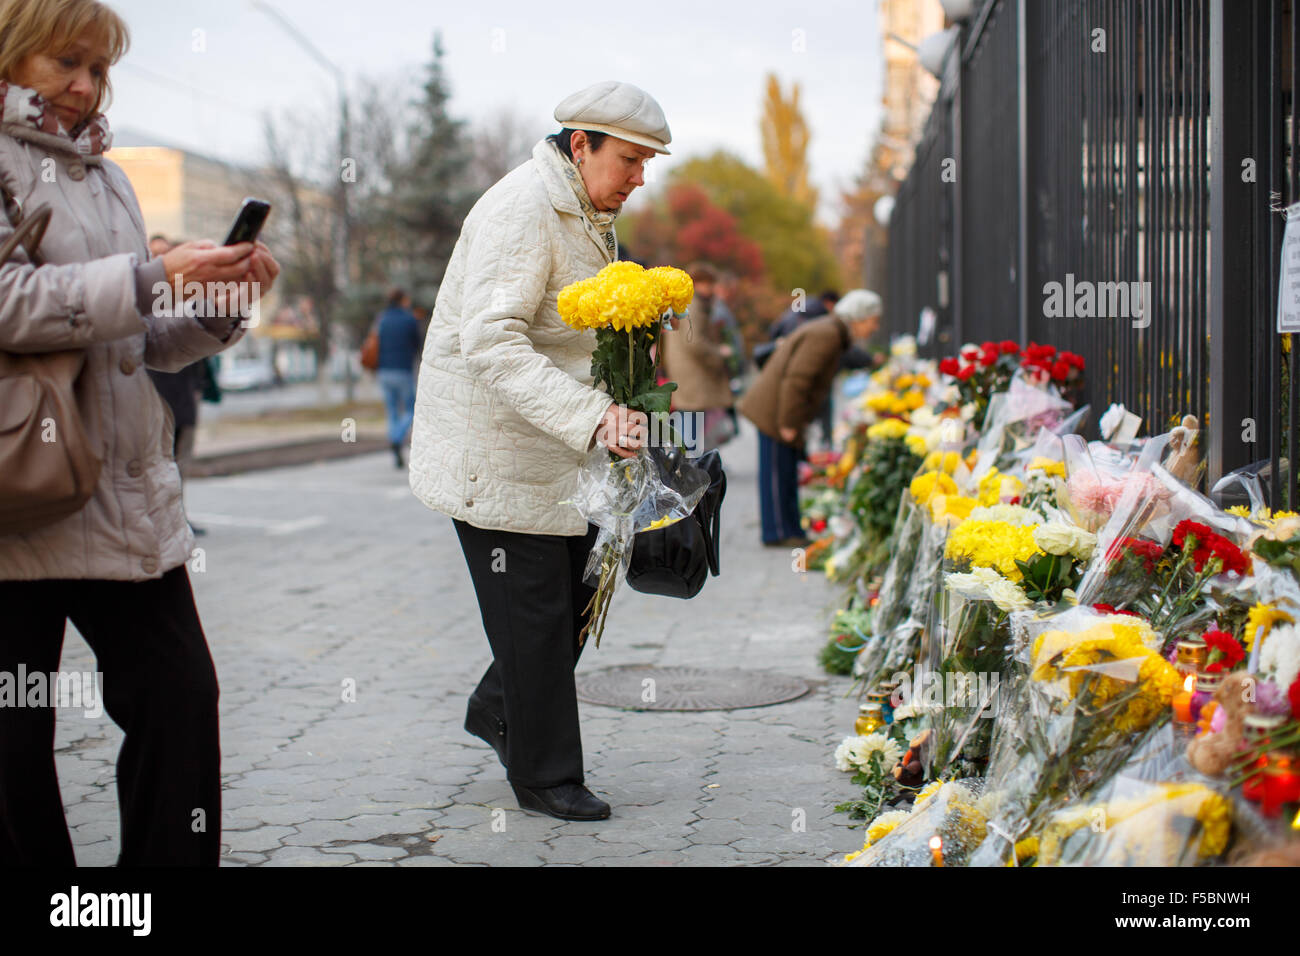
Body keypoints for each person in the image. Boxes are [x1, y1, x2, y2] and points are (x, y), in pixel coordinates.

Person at [0, 0, 280, 866]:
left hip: (121, 496)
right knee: (13, 741)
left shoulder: (107, 177)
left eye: (99, 70)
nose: (85, 88)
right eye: (65, 65)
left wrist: (218, 307)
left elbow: (138, 342)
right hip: (17, 490)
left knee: (180, 704)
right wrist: (152, 271)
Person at [408, 80, 671, 822]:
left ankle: (500, 708)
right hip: (496, 456)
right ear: (579, 143)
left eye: (649, 163)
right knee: (536, 617)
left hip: (555, 453)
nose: (639, 177)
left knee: (574, 606)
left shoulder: (584, 208)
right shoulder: (523, 206)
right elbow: (489, 338)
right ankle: (546, 776)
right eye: (629, 160)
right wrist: (594, 417)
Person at [738, 289, 881, 547]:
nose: (875, 327)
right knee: (777, 474)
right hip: (776, 409)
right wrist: (788, 423)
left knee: (785, 471)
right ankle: (778, 532)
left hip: (781, 408)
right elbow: (797, 380)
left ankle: (789, 529)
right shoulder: (827, 334)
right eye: (873, 320)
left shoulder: (831, 331)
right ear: (859, 318)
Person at [144, 234, 208, 533]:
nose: (160, 258)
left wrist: (199, 389)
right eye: (154, 254)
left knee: (181, 464)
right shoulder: (139, 299)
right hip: (154, 397)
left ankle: (179, 519)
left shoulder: (183, 296)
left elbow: (200, 353)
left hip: (184, 397)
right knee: (155, 465)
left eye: (164, 253)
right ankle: (159, 523)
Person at [657, 263, 735, 453]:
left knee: (688, 420)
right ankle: (684, 470)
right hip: (693, 373)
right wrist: (719, 353)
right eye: (706, 284)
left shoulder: (684, 303)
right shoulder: (694, 305)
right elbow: (694, 342)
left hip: (684, 369)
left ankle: (683, 466)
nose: (710, 288)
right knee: (690, 424)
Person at [374, 287, 422, 468]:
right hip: (402, 370)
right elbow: (417, 344)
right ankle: (397, 437)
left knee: (392, 410)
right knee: (411, 408)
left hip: (384, 371)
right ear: (402, 300)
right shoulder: (409, 319)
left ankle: (394, 439)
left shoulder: (382, 319)